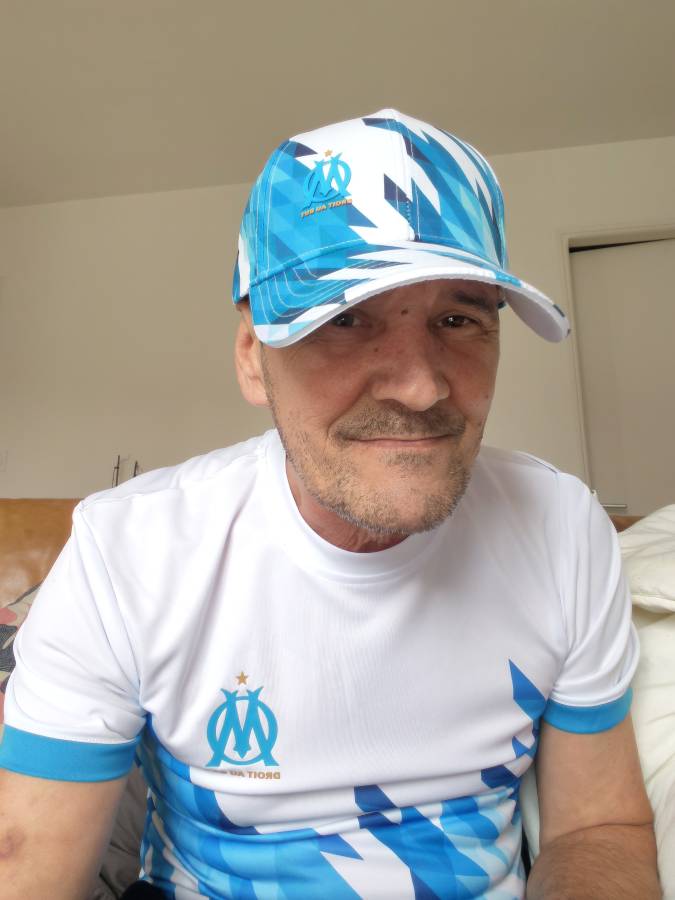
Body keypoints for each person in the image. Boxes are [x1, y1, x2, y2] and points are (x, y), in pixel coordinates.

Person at [0, 109, 660, 899]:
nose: (419, 386)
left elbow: (596, 826)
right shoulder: (130, 551)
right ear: (253, 357)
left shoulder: (560, 528)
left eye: (458, 319)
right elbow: (28, 869)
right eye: (344, 319)